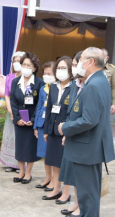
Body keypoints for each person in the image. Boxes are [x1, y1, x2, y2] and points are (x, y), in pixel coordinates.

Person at [58, 47, 115, 217]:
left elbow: (89, 120)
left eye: (80, 59)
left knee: (88, 194)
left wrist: (66, 127)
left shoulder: (94, 84)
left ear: (90, 61)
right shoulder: (97, 81)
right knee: (84, 192)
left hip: (88, 147)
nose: (78, 63)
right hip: (85, 145)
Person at [10, 52, 45, 184]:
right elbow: (13, 101)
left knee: (30, 146)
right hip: (19, 120)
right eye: (23, 64)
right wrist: (17, 118)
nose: (25, 67)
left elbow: (40, 103)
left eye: (28, 65)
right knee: (20, 146)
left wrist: (34, 119)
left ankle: (28, 173)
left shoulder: (39, 82)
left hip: (31, 120)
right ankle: (21, 171)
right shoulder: (15, 82)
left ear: (34, 68)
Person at [43, 56, 72, 203]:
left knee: (64, 163)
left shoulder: (74, 88)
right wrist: (47, 130)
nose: (61, 71)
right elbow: (49, 109)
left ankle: (66, 193)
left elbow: (73, 112)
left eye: (64, 68)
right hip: (53, 130)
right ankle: (56, 189)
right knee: (54, 161)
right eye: (59, 68)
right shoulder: (54, 86)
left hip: (65, 131)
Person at [60, 51, 83, 217]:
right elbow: (70, 111)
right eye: (73, 65)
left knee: (82, 174)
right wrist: (66, 131)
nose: (74, 68)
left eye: (76, 64)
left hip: (83, 135)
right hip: (72, 131)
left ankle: (81, 205)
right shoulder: (76, 83)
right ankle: (76, 202)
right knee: (73, 172)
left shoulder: (93, 84)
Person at [0, 51, 24, 172]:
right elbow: (7, 95)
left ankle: (21, 164)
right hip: (11, 112)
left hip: (23, 112)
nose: (16, 63)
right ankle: (10, 163)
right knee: (10, 135)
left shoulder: (27, 77)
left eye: (19, 61)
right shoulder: (9, 77)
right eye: (14, 61)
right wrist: (10, 111)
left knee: (21, 137)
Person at [34, 61, 56, 189]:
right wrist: (36, 126)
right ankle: (47, 177)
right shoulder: (43, 88)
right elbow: (39, 107)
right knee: (44, 154)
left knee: (52, 154)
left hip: (53, 124)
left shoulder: (59, 88)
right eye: (45, 73)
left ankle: (54, 179)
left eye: (50, 73)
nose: (47, 76)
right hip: (42, 124)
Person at [102, 48, 115, 115]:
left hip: (105, 100)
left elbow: (114, 87)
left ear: (107, 57)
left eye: (103, 56)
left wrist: (114, 103)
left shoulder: (112, 69)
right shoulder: (93, 67)